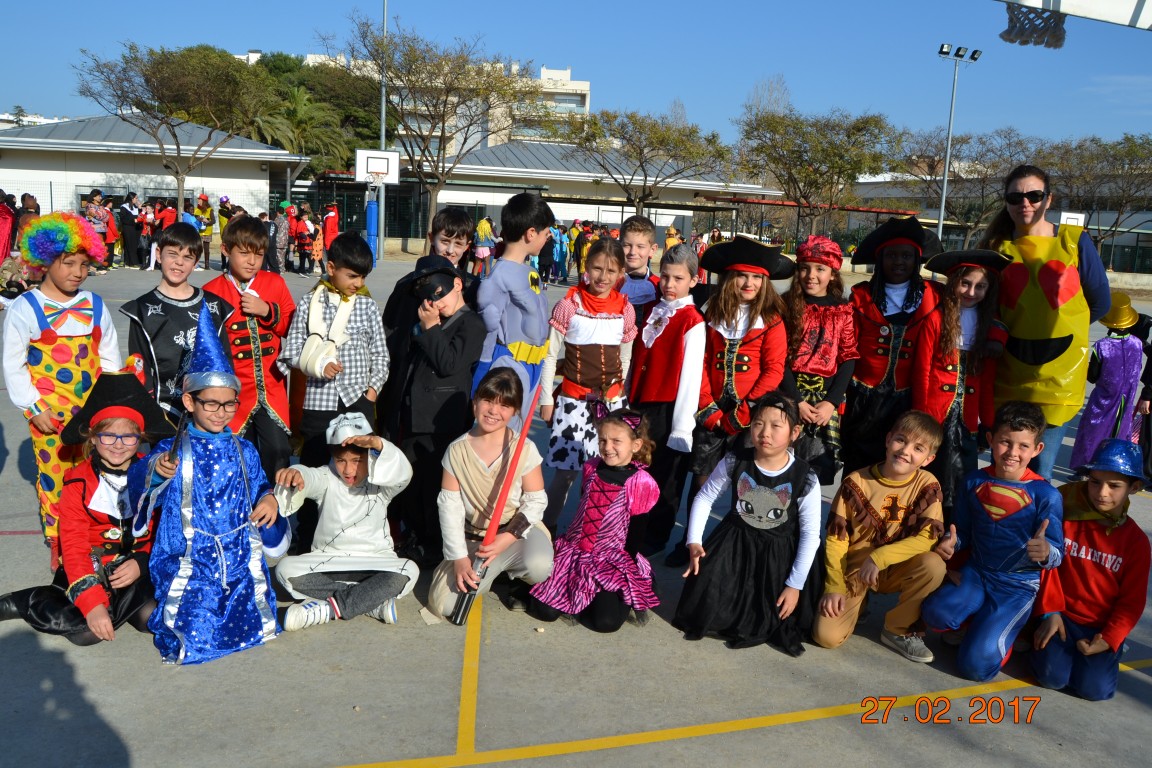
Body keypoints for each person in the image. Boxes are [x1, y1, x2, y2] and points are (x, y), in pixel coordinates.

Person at [129, 303, 288, 664]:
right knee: (194, 631)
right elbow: (139, 484)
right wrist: (157, 472)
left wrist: (268, 499)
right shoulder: (173, 449)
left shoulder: (243, 448)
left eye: (229, 405)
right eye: (211, 404)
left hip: (237, 554)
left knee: (253, 620)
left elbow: (260, 485)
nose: (221, 413)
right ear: (189, 400)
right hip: (190, 557)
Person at [0, 372, 174, 644]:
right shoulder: (77, 482)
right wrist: (92, 604)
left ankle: (120, 606)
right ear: (92, 438)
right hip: (89, 566)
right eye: (108, 436)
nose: (118, 445)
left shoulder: (154, 473)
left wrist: (142, 562)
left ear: (140, 437)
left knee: (151, 619)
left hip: (136, 565)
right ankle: (25, 600)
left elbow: (167, 530)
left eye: (128, 437)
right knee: (85, 633)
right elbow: (73, 545)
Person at [3, 213, 122, 569]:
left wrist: (113, 404)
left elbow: (110, 358)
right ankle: (58, 541)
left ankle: (94, 535)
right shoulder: (26, 307)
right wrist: (33, 407)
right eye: (68, 263)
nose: (78, 272)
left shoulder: (94, 304)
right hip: (49, 416)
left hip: (93, 413)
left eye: (84, 264)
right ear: (45, 260)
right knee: (55, 478)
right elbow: (13, 365)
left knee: (96, 472)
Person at [979, 164, 1111, 479]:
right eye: (1015, 197)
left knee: (1041, 469)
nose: (1025, 203)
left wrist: (1064, 327)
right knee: (1004, 463)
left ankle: (1037, 514)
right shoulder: (995, 248)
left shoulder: (1074, 241)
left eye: (1034, 195)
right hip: (1007, 374)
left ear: (1048, 199)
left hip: (1058, 380)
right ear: (1006, 202)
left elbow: (1100, 302)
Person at [667, 235, 793, 567]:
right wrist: (708, 408)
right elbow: (701, 362)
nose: (749, 283)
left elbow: (773, 370)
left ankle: (738, 547)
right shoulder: (711, 313)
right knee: (702, 480)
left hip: (751, 415)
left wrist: (745, 412)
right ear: (728, 279)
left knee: (749, 483)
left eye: (756, 277)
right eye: (741, 276)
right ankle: (690, 540)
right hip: (711, 411)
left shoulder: (773, 320)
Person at [921, 401, 1064, 682]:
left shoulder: (1047, 495)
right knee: (935, 614)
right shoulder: (973, 481)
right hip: (977, 573)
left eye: (1023, 446)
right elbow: (962, 531)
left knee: (976, 668)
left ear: (1038, 449)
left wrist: (1047, 551)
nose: (1012, 453)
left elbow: (1057, 553)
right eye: (1005, 442)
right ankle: (977, 622)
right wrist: (950, 542)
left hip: (1017, 586)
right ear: (990, 439)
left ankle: (1001, 635)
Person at [673, 394, 822, 656]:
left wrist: (795, 585)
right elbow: (705, 497)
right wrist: (694, 540)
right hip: (735, 544)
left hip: (778, 555)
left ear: (795, 432)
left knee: (772, 617)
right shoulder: (735, 460)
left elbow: (811, 534)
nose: (765, 433)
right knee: (704, 605)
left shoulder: (805, 476)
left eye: (776, 426)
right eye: (758, 424)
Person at [812, 410, 947, 663]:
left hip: (896, 566)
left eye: (918, 448)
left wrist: (879, 557)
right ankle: (858, 600)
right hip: (856, 570)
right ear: (888, 440)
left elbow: (927, 539)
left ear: (928, 459)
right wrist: (834, 586)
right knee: (826, 637)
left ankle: (897, 629)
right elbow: (836, 540)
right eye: (901, 440)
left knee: (933, 565)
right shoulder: (856, 481)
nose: (905, 451)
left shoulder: (927, 483)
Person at [273, 413, 420, 630]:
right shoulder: (327, 477)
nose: (349, 470)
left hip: (376, 562)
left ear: (369, 455)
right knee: (284, 569)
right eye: (341, 460)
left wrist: (379, 444)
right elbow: (310, 476)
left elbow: (403, 473)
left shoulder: (382, 483)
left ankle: (329, 608)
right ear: (333, 457)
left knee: (409, 571)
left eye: (357, 460)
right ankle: (368, 601)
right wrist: (296, 473)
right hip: (329, 562)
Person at [428, 368, 552, 619]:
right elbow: (450, 509)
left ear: (515, 411)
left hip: (514, 535)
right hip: (474, 540)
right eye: (488, 400)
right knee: (446, 607)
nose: (494, 411)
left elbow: (536, 500)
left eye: (504, 405)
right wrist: (459, 558)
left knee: (539, 565)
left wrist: (509, 536)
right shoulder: (456, 451)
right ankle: (493, 573)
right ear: (475, 402)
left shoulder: (525, 448)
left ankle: (517, 579)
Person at [1032, 439, 1150, 701]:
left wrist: (1110, 638)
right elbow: (1048, 569)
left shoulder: (1137, 543)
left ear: (1134, 487)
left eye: (1114, 485)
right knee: (1051, 678)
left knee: (1094, 690)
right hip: (1061, 616)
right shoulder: (1066, 518)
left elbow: (1132, 601)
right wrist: (1050, 612)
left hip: (1101, 626)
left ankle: (1115, 650)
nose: (1102, 492)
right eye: (1095, 482)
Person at [387, 257, 485, 565]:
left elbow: (448, 364)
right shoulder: (429, 321)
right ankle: (415, 534)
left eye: (440, 295)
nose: (436, 304)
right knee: (411, 483)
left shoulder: (472, 323)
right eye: (429, 299)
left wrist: (430, 327)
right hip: (413, 416)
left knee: (434, 486)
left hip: (442, 421)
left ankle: (433, 544)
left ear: (457, 284)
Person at [528, 409, 660, 632]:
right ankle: (580, 593)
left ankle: (601, 597)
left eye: (616, 441)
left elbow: (636, 533)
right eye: (603, 440)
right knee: (544, 612)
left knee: (605, 624)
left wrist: (623, 572)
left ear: (636, 445)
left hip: (612, 558)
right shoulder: (591, 466)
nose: (607, 447)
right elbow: (584, 510)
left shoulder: (641, 482)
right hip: (575, 552)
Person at [540, 238, 637, 531]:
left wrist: (621, 399)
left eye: (611, 271)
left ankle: (590, 532)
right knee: (565, 474)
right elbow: (549, 356)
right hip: (573, 403)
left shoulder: (625, 309)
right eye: (597, 268)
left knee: (604, 472)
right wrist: (546, 399)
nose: (603, 277)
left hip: (611, 405)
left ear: (621, 273)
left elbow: (626, 358)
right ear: (586, 266)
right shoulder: (569, 306)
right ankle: (547, 529)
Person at [839, 217, 942, 476]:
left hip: (907, 397)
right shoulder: (862, 295)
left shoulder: (933, 296)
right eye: (891, 255)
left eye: (906, 256)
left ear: (917, 260)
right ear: (880, 259)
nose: (899, 261)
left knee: (899, 466)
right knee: (858, 464)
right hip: (863, 397)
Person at [912, 249, 1010, 519]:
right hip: (935, 413)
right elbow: (922, 371)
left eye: (980, 286)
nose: (971, 292)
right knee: (932, 470)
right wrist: (921, 417)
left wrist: (988, 422)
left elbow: (987, 381)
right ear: (954, 281)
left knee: (964, 475)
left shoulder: (989, 327)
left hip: (967, 418)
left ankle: (956, 527)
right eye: (965, 283)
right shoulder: (936, 318)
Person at [204, 215, 297, 485]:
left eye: (258, 254)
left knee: (278, 454)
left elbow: (293, 329)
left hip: (272, 390)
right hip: (233, 395)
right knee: (234, 460)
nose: (252, 261)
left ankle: (277, 509)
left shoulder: (275, 283)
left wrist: (268, 311)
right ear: (226, 250)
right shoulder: (211, 291)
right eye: (244, 253)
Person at [629, 243, 704, 556]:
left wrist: (682, 427)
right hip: (641, 403)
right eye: (665, 277)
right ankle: (632, 528)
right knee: (639, 470)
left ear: (694, 281)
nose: (670, 284)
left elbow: (690, 379)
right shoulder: (652, 309)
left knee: (665, 477)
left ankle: (655, 535)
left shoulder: (693, 321)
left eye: (678, 278)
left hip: (669, 408)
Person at [120, 222, 233, 420]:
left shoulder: (213, 305)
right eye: (172, 254)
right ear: (158, 255)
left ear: (195, 262)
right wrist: (148, 415)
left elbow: (225, 362)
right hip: (161, 410)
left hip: (207, 411)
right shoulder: (142, 309)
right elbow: (140, 368)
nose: (179, 262)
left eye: (187, 257)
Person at [779, 235, 859, 486]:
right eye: (804, 268)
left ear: (833, 274)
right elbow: (778, 357)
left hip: (823, 401)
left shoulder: (843, 311)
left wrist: (831, 403)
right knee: (781, 468)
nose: (811, 275)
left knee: (814, 473)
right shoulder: (785, 306)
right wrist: (797, 401)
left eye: (820, 269)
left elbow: (848, 357)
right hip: (789, 395)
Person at [474, 193, 552, 425]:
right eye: (546, 233)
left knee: (518, 439)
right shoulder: (497, 278)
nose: (548, 238)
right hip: (508, 366)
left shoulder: (531, 272)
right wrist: (480, 380)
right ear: (531, 233)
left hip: (534, 366)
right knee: (500, 434)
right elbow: (488, 333)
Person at [1068, 293, 1144, 473]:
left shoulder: (1102, 346)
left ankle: (1085, 469)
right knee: (1119, 432)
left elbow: (1092, 377)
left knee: (1093, 432)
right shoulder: (1137, 344)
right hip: (1126, 401)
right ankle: (1114, 467)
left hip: (1103, 400)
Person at [618, 215, 660, 313]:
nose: (633, 252)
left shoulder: (660, 287)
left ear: (652, 250)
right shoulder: (609, 284)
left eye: (640, 246)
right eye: (627, 245)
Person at [119, 192, 143, 269]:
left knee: (131, 245)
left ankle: (128, 262)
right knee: (130, 245)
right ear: (131, 198)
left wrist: (140, 208)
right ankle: (133, 263)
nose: (137, 200)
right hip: (128, 228)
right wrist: (133, 220)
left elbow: (139, 216)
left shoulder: (135, 207)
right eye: (136, 198)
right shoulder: (124, 207)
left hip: (135, 229)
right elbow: (123, 219)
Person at [193, 193, 216, 271]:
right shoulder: (196, 209)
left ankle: (207, 265)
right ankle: (195, 264)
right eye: (198, 199)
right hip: (198, 231)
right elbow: (195, 218)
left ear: (204, 201)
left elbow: (214, 221)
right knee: (198, 248)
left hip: (207, 231)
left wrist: (207, 221)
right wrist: (199, 219)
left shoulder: (210, 210)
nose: (198, 201)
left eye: (200, 200)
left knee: (206, 249)